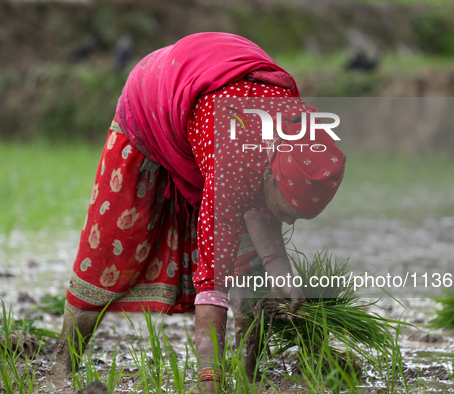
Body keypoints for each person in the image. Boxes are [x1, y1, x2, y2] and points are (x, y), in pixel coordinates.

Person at [55, 32, 345, 393]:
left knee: (251, 269)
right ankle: (61, 373)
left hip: (212, 94)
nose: (286, 221)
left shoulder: (297, 131)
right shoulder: (233, 164)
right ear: (269, 172)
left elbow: (257, 205)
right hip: (154, 99)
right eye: (285, 210)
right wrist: (209, 382)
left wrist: (280, 269)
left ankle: (249, 376)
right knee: (109, 252)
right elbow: (211, 286)